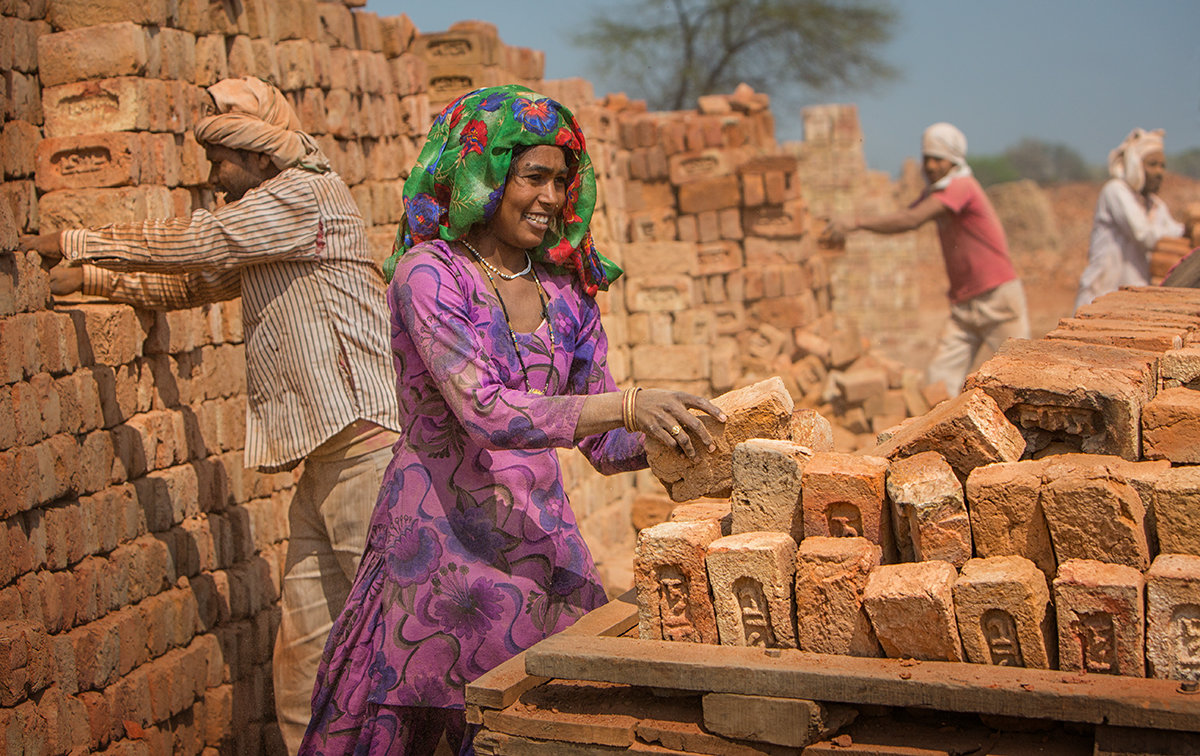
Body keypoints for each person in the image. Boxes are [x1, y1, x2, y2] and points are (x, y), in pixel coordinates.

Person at [298, 85, 725, 755]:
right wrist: (635, 403)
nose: (553, 197)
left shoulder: (567, 292)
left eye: (562, 179)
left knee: (552, 727)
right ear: (484, 173)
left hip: (541, 554)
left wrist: (703, 443)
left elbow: (609, 444)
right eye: (535, 176)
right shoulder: (429, 275)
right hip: (440, 557)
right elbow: (486, 410)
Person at [25, 76, 402, 754]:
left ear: (259, 158)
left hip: (369, 459)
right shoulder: (269, 224)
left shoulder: (303, 194)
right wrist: (99, 284)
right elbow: (197, 281)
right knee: (304, 661)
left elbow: (203, 243)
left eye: (220, 165)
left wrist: (80, 243)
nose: (214, 181)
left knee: (395, 642)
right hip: (325, 463)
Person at [821, 122, 1029, 396]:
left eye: (938, 159)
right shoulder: (937, 191)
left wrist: (856, 222)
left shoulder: (961, 186)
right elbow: (903, 217)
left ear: (953, 160)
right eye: (926, 158)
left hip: (997, 298)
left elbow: (911, 220)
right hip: (964, 305)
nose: (930, 166)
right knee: (938, 385)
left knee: (1020, 380)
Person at [1074, 128, 1185, 309]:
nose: (1159, 172)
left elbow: (1175, 232)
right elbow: (1143, 234)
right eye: (1152, 164)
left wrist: (1189, 229)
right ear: (1136, 165)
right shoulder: (1115, 191)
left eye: (1163, 166)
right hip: (1101, 293)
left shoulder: (1156, 205)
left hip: (1133, 299)